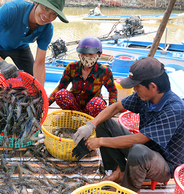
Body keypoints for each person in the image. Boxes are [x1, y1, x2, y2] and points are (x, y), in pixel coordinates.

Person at [73, 57, 184, 192]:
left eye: (137, 86)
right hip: (143, 147)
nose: (134, 89)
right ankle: (116, 171)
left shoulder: (174, 109)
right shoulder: (145, 96)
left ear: (153, 87)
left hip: (164, 165)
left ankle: (128, 189)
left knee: (138, 151)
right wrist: (91, 124)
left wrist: (100, 141)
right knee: (103, 122)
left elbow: (140, 139)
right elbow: (116, 107)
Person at [0, 0, 69, 142]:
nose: (47, 16)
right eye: (45, 8)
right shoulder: (11, 10)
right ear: (36, 3)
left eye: (53, 14)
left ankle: (29, 123)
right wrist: (1, 64)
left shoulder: (47, 29)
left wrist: (40, 93)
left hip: (19, 47)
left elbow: (39, 63)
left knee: (32, 85)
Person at [48, 36, 117, 118]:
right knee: (61, 94)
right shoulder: (72, 67)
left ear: (98, 55)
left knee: (98, 104)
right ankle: (74, 117)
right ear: (79, 54)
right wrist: (46, 103)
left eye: (90, 54)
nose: (86, 57)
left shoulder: (104, 71)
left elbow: (113, 91)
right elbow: (60, 87)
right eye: (83, 54)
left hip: (92, 107)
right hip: (74, 105)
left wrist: (110, 111)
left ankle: (89, 120)